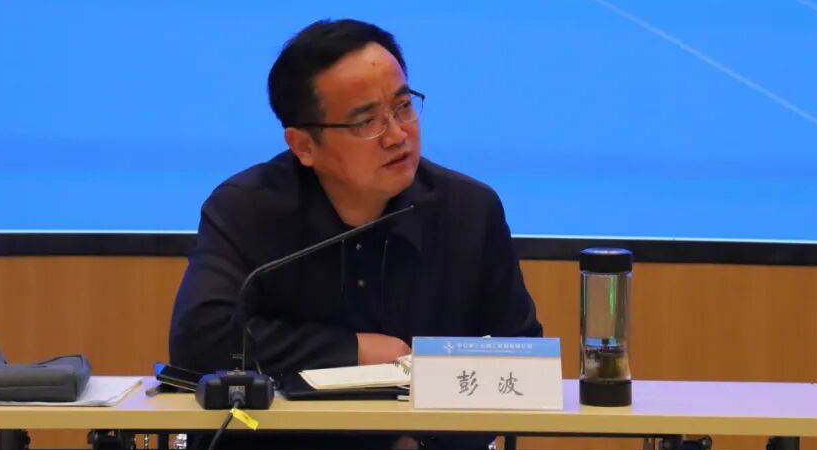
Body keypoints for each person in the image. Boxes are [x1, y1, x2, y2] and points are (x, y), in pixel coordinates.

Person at [169, 19, 541, 377]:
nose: (397, 136)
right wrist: (354, 351)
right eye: (366, 122)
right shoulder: (247, 209)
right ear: (303, 145)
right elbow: (199, 341)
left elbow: (523, 360)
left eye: (403, 107)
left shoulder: (469, 211)